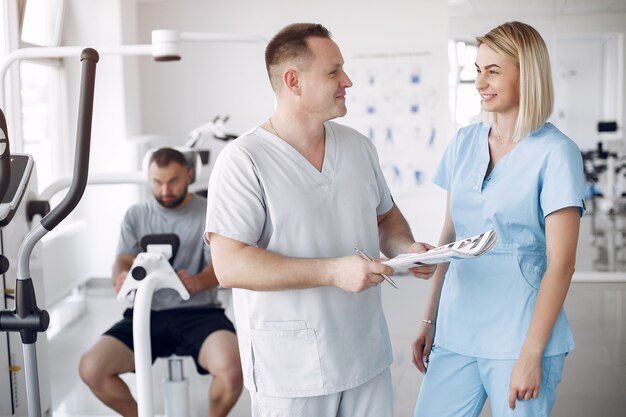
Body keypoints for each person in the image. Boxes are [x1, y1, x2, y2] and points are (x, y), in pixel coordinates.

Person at [204, 23, 436, 417]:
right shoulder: (243, 161)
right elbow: (229, 265)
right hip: (293, 370)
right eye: (334, 72)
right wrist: (332, 272)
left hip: (365, 355)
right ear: (293, 81)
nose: (347, 81)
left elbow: (386, 218)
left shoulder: (358, 147)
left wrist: (407, 249)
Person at [411, 21, 585, 417]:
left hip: (519, 332)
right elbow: (450, 235)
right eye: (477, 70)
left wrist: (531, 354)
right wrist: (429, 317)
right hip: (457, 328)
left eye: (493, 70)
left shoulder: (557, 153)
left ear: (528, 74)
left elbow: (562, 264)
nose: (480, 83)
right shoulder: (463, 143)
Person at [79, 148, 243, 417]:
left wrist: (197, 282)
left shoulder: (208, 212)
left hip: (200, 314)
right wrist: (120, 276)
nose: (165, 189)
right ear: (149, 179)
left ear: (189, 175)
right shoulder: (136, 215)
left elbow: (220, 267)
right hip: (147, 314)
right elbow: (122, 259)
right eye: (157, 181)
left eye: (173, 181)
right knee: (91, 368)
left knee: (233, 371)